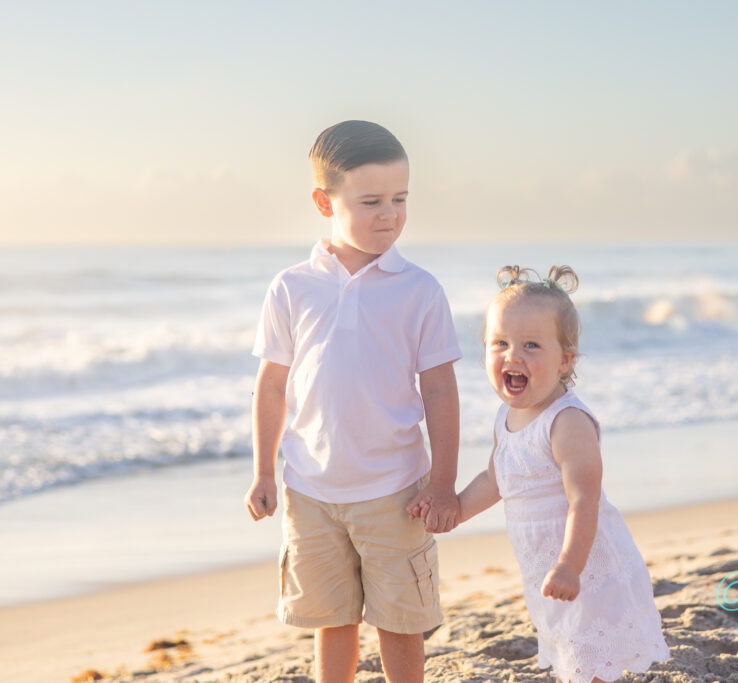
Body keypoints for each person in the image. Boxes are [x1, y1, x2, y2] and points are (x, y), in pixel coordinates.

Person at [243, 120, 462, 683]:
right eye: (370, 201)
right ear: (324, 201)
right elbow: (272, 385)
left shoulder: (419, 290)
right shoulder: (293, 287)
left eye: (400, 199)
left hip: (396, 492)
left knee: (400, 621)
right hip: (311, 489)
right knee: (331, 619)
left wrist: (442, 483)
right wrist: (263, 472)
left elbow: (440, 390)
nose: (389, 214)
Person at [416, 265, 669, 682]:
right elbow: (497, 478)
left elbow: (584, 500)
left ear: (565, 359)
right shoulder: (506, 417)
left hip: (587, 569)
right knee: (568, 649)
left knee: (589, 655)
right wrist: (455, 511)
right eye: (500, 343)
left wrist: (570, 565)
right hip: (543, 570)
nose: (513, 356)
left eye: (531, 345)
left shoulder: (566, 422)